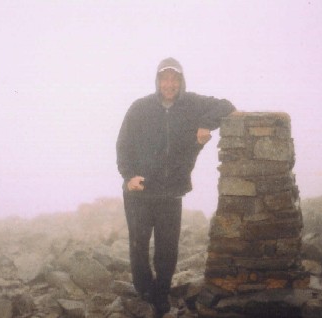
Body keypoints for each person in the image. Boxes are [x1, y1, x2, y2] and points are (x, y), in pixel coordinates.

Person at [116, 57, 235, 315]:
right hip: (140, 189)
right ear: (157, 81)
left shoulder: (192, 104)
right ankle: (144, 290)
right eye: (164, 78)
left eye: (174, 79)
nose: (169, 84)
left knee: (167, 248)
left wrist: (206, 124)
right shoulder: (140, 107)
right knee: (138, 244)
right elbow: (123, 145)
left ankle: (160, 294)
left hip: (171, 191)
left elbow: (227, 106)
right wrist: (129, 177)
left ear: (181, 82)